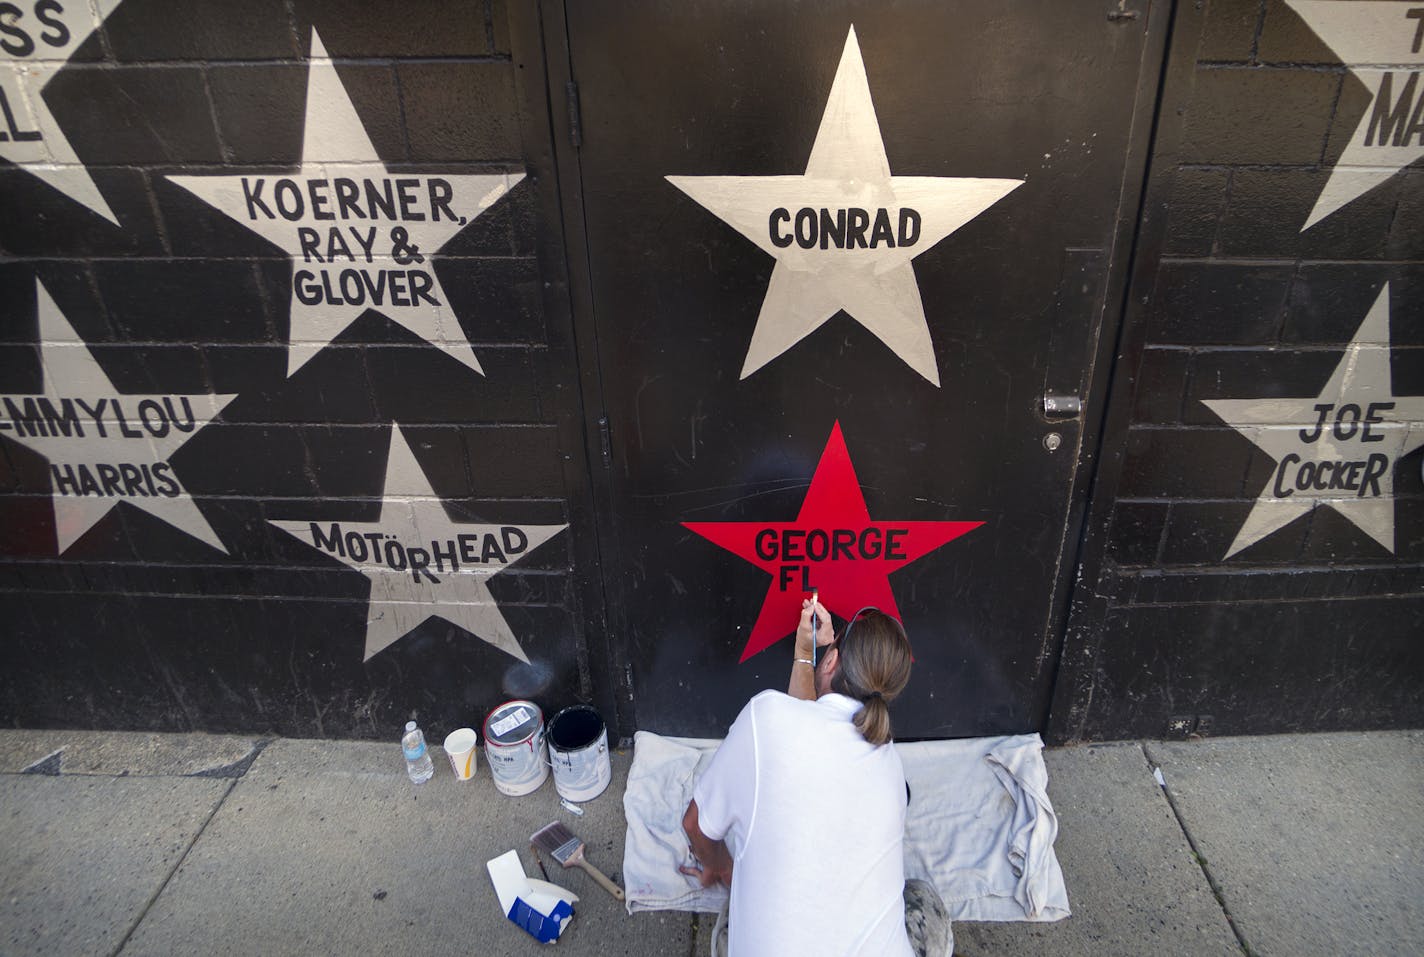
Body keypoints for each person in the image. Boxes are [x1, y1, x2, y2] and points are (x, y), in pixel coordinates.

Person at [680, 597, 952, 957]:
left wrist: (720, 865)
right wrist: (806, 653)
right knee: (921, 898)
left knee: (739, 902)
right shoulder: (890, 766)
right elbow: (806, 722)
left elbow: (696, 824)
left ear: (833, 660)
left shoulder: (767, 719)